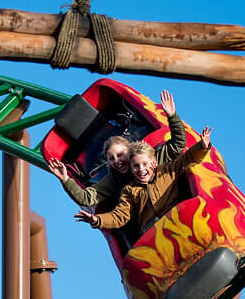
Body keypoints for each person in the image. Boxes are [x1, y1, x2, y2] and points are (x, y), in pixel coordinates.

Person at [48, 90, 187, 209]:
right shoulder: (114, 179)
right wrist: (65, 179)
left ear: (129, 151)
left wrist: (172, 116)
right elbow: (87, 198)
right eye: (111, 158)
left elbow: (179, 143)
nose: (116, 161)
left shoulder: (148, 159)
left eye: (120, 155)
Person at [74, 127, 213, 233]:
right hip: (153, 228)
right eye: (136, 166)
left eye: (144, 164)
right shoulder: (129, 190)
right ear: (131, 168)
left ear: (153, 162)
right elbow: (119, 216)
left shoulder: (165, 171)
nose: (141, 169)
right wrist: (97, 220)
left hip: (176, 214)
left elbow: (187, 157)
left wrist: (203, 146)